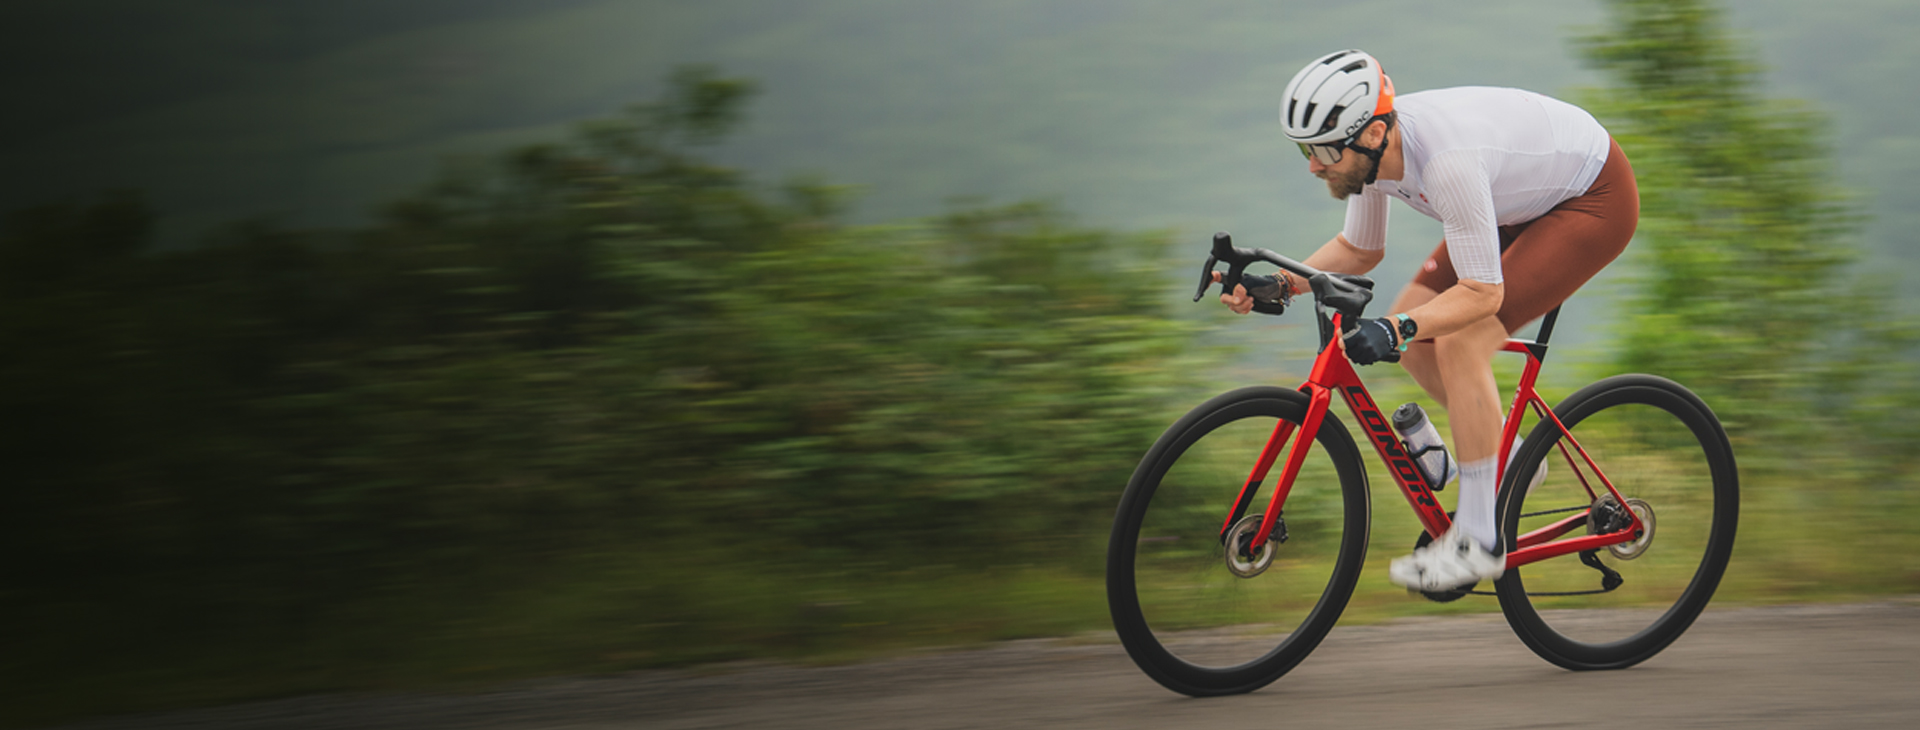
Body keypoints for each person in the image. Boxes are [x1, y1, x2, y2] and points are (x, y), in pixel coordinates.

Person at [1216, 49, 1638, 591]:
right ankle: (1510, 458)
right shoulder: (1373, 155)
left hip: (1592, 199)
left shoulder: (1444, 163)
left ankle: (1479, 541)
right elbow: (1360, 249)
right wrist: (1279, 284)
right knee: (1417, 332)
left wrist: (1395, 328)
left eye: (1323, 150)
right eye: (1305, 149)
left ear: (1372, 134)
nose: (1313, 166)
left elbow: (1482, 295)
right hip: (1516, 199)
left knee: (1459, 338)